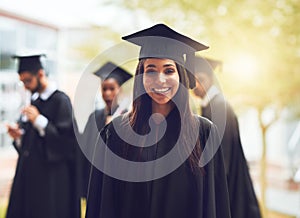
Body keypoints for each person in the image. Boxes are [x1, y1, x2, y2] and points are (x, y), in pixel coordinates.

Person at [86, 23, 231, 218]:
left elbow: (215, 206)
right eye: (151, 70)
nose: (160, 79)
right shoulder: (116, 133)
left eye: (169, 71)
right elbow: (101, 203)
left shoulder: (203, 133)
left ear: (181, 75)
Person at [6, 54, 78, 218]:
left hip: (51, 180)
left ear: (40, 74)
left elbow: (67, 143)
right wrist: (18, 136)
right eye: (22, 82)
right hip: (30, 176)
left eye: (27, 81)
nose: (25, 86)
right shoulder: (34, 101)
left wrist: (39, 120)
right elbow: (30, 143)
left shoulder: (61, 101)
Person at [193, 56, 261, 218]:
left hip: (230, 191)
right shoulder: (212, 105)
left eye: (198, 79)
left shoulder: (219, 107)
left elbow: (221, 159)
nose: (194, 85)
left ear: (208, 80)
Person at [76, 62, 132, 209]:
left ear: (120, 90)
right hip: (96, 180)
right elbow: (86, 150)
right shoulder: (94, 117)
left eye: (112, 89)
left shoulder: (129, 118)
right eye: (104, 89)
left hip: (118, 182)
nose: (107, 93)